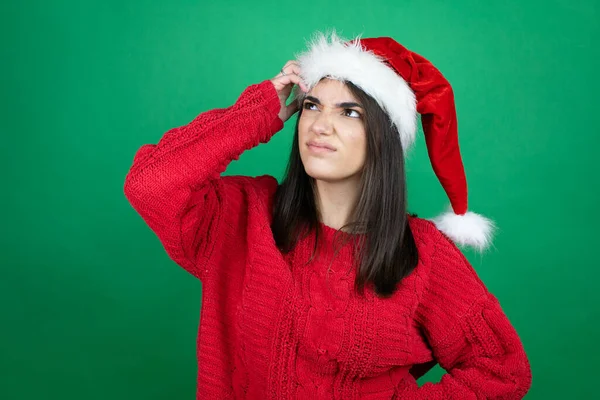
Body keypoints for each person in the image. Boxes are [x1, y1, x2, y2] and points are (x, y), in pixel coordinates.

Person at [124, 31, 532, 399]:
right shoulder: (242, 216)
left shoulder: (424, 254)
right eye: (312, 106)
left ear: (384, 137)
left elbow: (503, 371)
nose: (320, 125)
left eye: (349, 112)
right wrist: (257, 112)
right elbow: (149, 185)